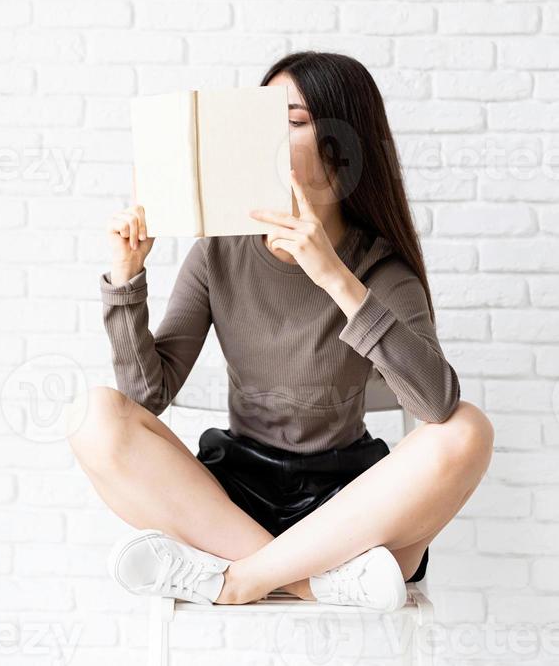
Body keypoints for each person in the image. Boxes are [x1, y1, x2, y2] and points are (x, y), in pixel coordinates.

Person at [68, 50, 495, 609]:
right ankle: (306, 581)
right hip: (235, 497)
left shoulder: (379, 267)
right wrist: (127, 281)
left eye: (290, 121)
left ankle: (237, 581)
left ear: (342, 148)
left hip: (346, 506)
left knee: (469, 430)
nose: (265, 136)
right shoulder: (218, 252)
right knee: (93, 414)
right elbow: (146, 398)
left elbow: (435, 404)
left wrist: (335, 278)